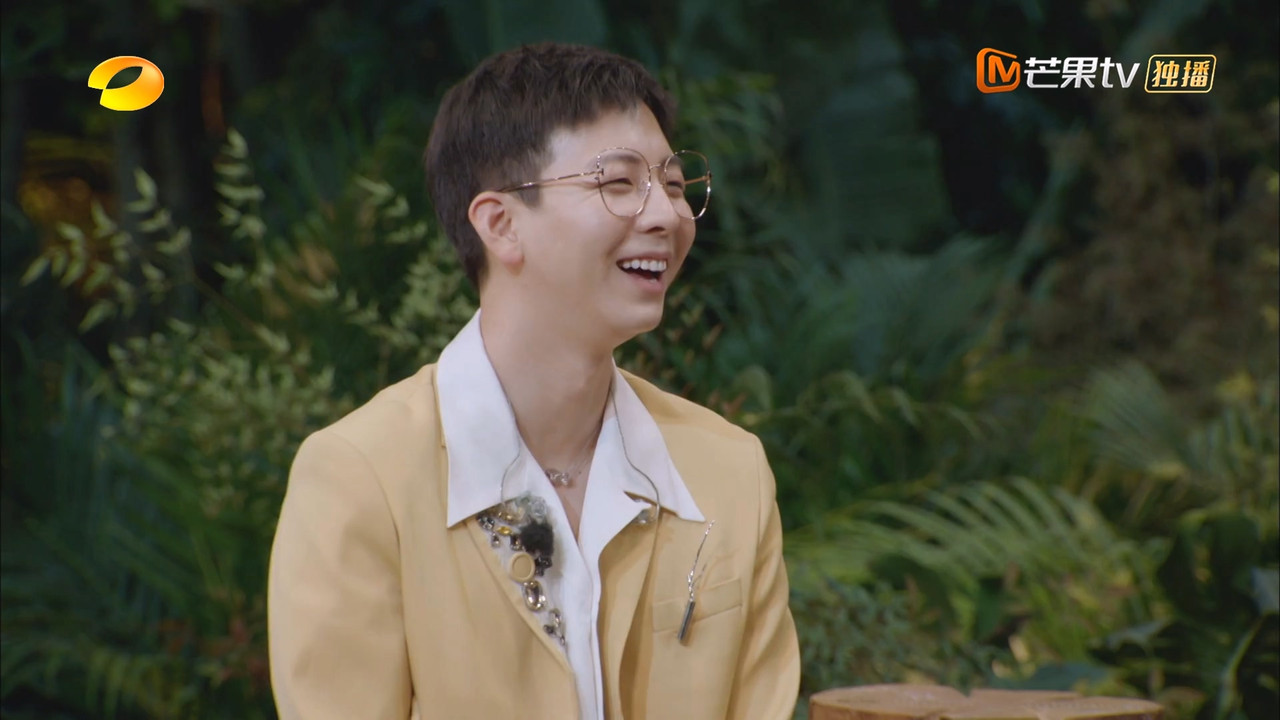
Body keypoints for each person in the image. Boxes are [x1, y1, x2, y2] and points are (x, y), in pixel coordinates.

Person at [267, 41, 800, 720]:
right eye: (618, 183)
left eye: (672, 183)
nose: (666, 214)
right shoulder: (362, 480)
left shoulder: (727, 470)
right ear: (501, 224)